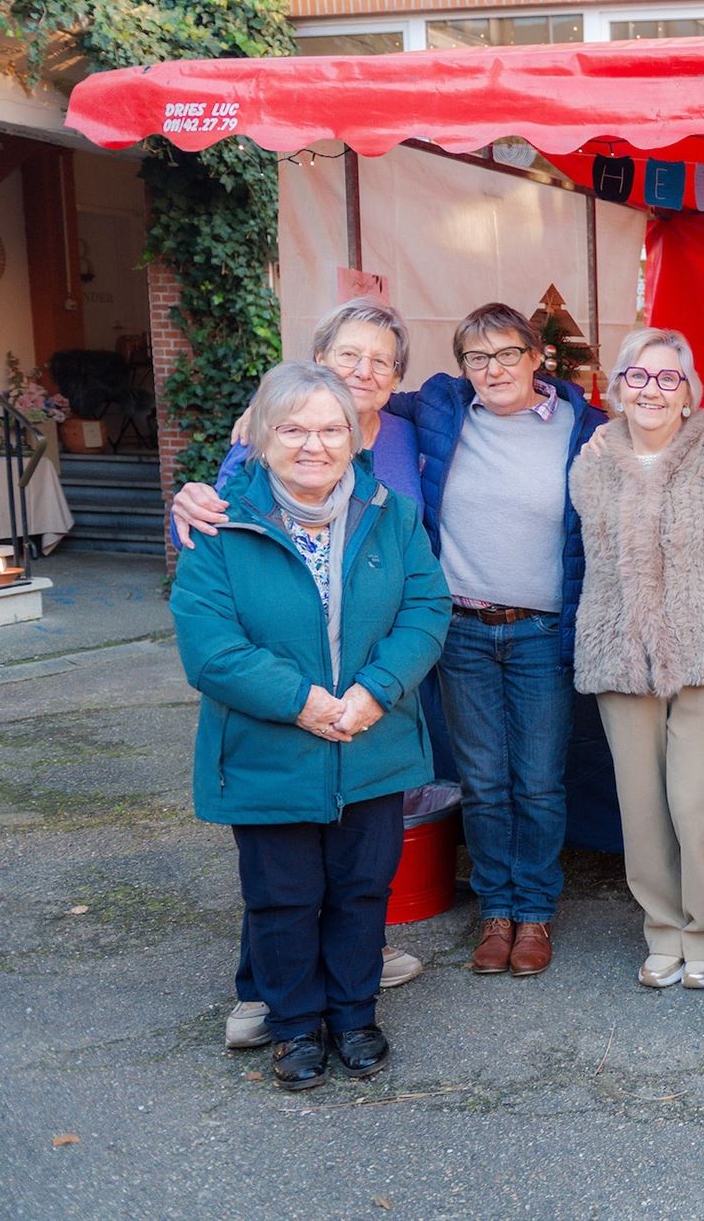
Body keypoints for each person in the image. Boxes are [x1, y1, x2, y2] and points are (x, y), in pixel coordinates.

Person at [171, 363, 450, 1091]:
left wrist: (374, 692)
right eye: (292, 429)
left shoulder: (392, 514)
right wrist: (303, 702)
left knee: (361, 888)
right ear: (261, 438)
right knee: (283, 897)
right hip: (268, 748)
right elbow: (210, 646)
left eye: (330, 429)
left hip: (371, 742)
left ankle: (355, 1015)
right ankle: (294, 1025)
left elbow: (426, 611)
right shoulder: (219, 524)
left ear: (354, 438)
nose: (313, 445)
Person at [381, 303, 605, 978]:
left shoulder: (585, 427)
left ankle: (533, 912)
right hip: (461, 630)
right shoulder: (442, 410)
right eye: (477, 358)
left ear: (536, 357)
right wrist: (257, 414)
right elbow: (353, 396)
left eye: (508, 354)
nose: (494, 369)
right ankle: (495, 912)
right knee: (481, 781)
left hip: (540, 631)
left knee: (537, 783)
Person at [570, 329, 704, 992]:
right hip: (620, 648)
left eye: (668, 378)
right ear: (618, 388)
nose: (652, 389)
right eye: (638, 377)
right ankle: (663, 929)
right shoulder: (591, 461)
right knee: (642, 804)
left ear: (688, 393)